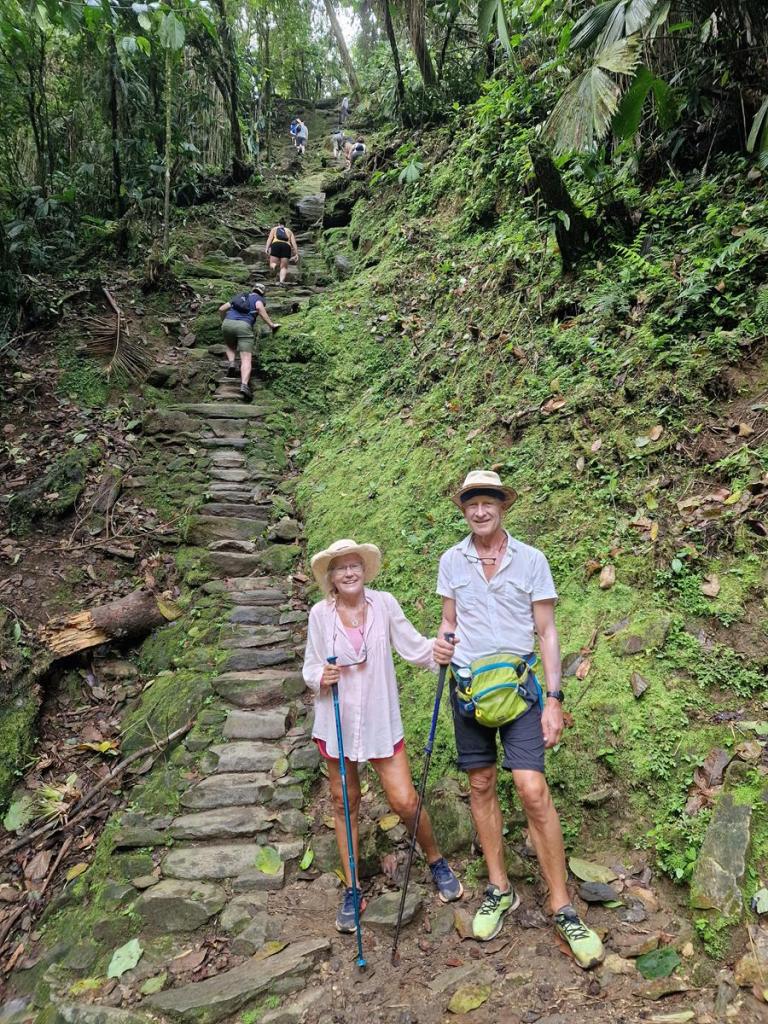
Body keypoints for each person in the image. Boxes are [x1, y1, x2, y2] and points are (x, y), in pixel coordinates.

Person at [433, 470, 605, 969]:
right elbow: (449, 620)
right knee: (481, 783)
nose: (480, 511)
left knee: (531, 788)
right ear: (463, 510)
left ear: (502, 506)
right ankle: (499, 887)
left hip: (520, 687)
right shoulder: (451, 560)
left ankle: (562, 905)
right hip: (470, 689)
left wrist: (554, 698)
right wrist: (442, 642)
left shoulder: (531, 560)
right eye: (471, 504)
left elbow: (546, 632)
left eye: (488, 502)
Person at [303, 538, 463, 934]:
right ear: (331, 577)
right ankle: (352, 888)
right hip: (338, 721)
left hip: (378, 718)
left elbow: (413, 647)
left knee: (405, 800)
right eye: (341, 568)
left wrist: (439, 651)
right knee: (344, 802)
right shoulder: (320, 615)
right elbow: (310, 666)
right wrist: (321, 675)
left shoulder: (384, 605)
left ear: (364, 570)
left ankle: (435, 859)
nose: (349, 573)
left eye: (354, 565)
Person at [218, 284, 279, 402]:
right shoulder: (258, 299)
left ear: (253, 289)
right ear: (262, 293)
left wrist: (223, 321)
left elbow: (221, 309)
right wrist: (271, 325)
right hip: (244, 325)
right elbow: (259, 308)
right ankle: (244, 385)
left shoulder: (241, 296)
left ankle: (231, 363)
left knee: (230, 346)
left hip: (227, 323)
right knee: (246, 358)